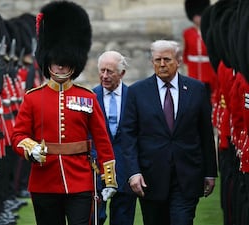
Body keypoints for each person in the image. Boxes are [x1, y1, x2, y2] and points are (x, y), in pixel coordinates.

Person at [11, 2, 117, 225]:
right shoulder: (32, 97)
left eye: (65, 63)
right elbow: (18, 136)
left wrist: (109, 180)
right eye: (56, 63)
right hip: (44, 180)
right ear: (48, 61)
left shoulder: (88, 97)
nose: (60, 67)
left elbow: (102, 140)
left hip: (80, 180)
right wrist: (30, 148)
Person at [120, 40, 218, 225]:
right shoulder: (137, 92)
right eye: (157, 60)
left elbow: (205, 133)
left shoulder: (196, 89)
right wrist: (133, 172)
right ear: (152, 62)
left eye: (167, 59)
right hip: (150, 178)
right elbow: (129, 135)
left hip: (187, 175)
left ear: (179, 60)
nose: (162, 64)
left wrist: (210, 172)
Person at [92, 51, 136, 225]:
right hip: (97, 171)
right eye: (101, 71)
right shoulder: (90, 97)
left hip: (125, 171)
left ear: (122, 73)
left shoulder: (133, 96)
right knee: (96, 219)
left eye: (109, 71)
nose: (104, 76)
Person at [182, 0, 217, 99]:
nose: (198, 18)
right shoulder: (187, 33)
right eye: (196, 15)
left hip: (209, 71)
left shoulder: (211, 31)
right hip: (194, 71)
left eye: (200, 15)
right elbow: (185, 54)